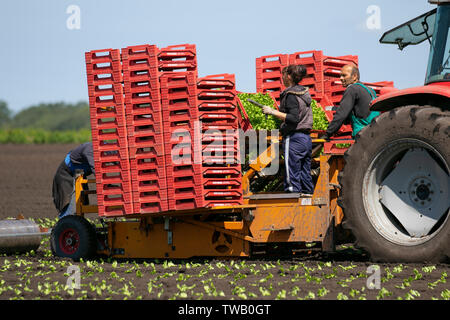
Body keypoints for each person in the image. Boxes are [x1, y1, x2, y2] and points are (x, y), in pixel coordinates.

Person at [262, 64, 314, 196]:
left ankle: (292, 195)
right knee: (304, 170)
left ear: (289, 76)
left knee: (291, 170)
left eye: (284, 75)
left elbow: (293, 118)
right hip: (306, 139)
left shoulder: (290, 95)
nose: (282, 78)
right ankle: (307, 194)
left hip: (295, 138)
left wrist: (272, 111)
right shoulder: (304, 93)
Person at [325, 64, 380, 139]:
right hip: (376, 134)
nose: (340, 78)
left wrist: (328, 133)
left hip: (363, 136)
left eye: (344, 75)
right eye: (340, 76)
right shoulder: (370, 90)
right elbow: (360, 112)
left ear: (354, 76)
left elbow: (341, 114)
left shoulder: (352, 89)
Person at [52, 142, 95, 219]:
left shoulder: (102, 149)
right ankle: (63, 224)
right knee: (68, 205)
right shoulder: (90, 150)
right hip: (66, 173)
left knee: (81, 204)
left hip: (79, 174)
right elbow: (95, 168)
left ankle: (75, 224)